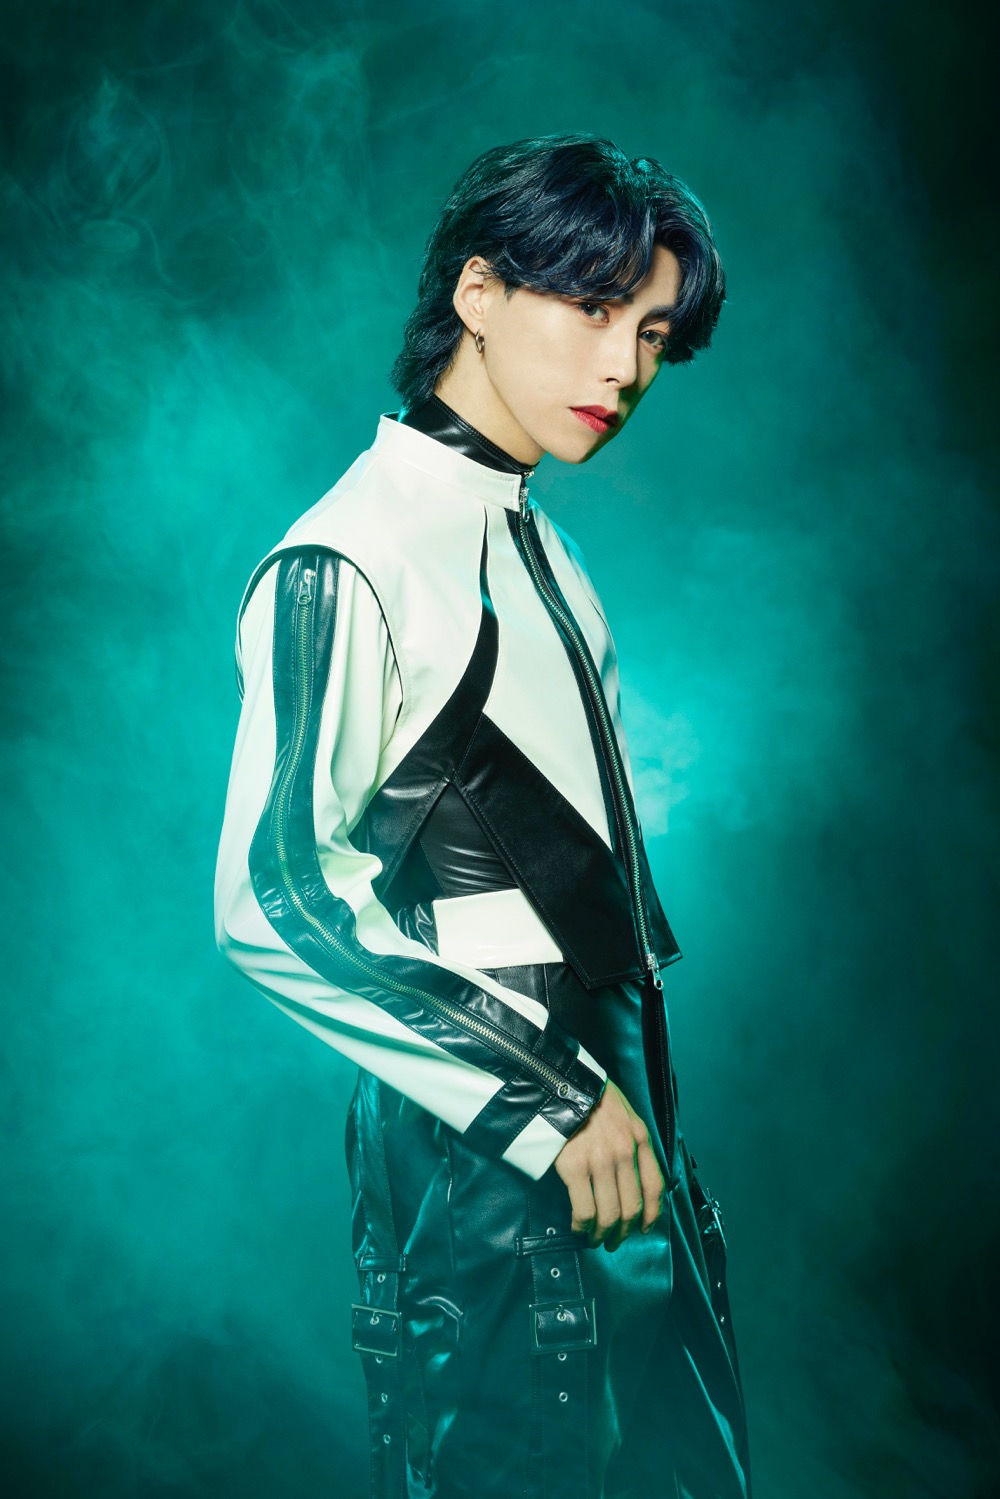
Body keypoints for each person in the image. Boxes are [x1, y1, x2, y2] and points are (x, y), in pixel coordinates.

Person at [214, 131, 752, 1499]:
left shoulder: (539, 542)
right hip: (493, 1152)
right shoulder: (347, 558)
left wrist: (610, 1108)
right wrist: (549, 1100)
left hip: (625, 1119)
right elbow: (274, 901)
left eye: (651, 335)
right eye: (594, 310)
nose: (624, 369)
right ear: (478, 293)